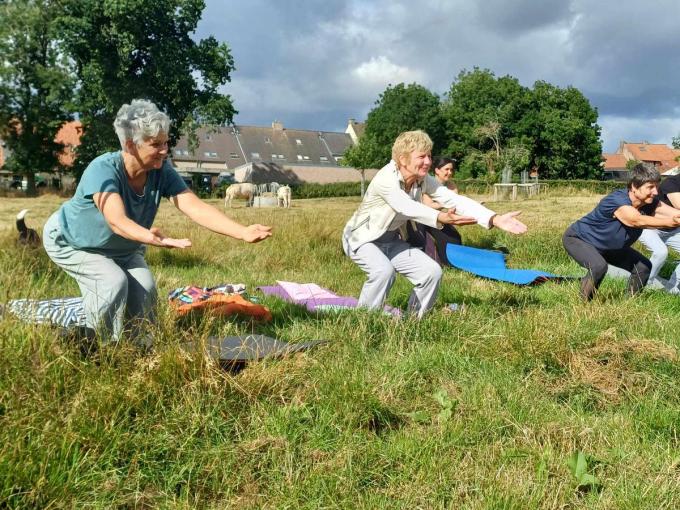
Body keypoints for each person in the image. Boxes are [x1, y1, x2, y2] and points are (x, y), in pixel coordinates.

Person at [43, 99, 272, 343]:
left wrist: (242, 231)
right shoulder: (102, 169)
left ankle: (138, 348)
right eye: (155, 144)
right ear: (131, 145)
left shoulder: (161, 171)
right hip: (73, 242)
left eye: (165, 143)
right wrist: (148, 237)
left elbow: (193, 206)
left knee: (145, 290)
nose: (164, 150)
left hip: (123, 246)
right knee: (112, 282)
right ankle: (98, 349)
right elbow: (116, 220)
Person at [342, 130, 527, 318]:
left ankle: (413, 322)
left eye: (429, 156)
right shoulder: (385, 179)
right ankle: (364, 322)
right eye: (422, 156)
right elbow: (405, 207)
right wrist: (440, 217)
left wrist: (493, 218)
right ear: (402, 159)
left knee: (431, 272)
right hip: (361, 238)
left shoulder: (422, 179)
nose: (428, 162)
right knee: (383, 271)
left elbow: (453, 199)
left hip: (390, 240)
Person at [562, 163, 680, 301]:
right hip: (579, 239)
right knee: (598, 266)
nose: (655, 192)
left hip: (609, 246)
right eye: (650, 187)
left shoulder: (651, 202)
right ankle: (583, 306)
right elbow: (636, 220)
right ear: (634, 187)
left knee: (643, 267)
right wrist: (671, 222)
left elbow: (674, 213)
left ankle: (629, 303)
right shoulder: (617, 200)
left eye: (656, 187)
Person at [406, 156, 462, 264]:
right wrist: (445, 203)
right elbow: (428, 206)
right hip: (424, 218)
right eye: (447, 169)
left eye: (451, 170)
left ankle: (454, 261)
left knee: (455, 237)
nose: (450, 172)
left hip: (441, 218)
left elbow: (456, 203)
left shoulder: (451, 185)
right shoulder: (428, 183)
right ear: (437, 170)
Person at [636, 171, 680, 292]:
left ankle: (673, 289)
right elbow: (678, 205)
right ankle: (644, 284)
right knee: (660, 252)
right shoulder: (672, 183)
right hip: (651, 227)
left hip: (673, 230)